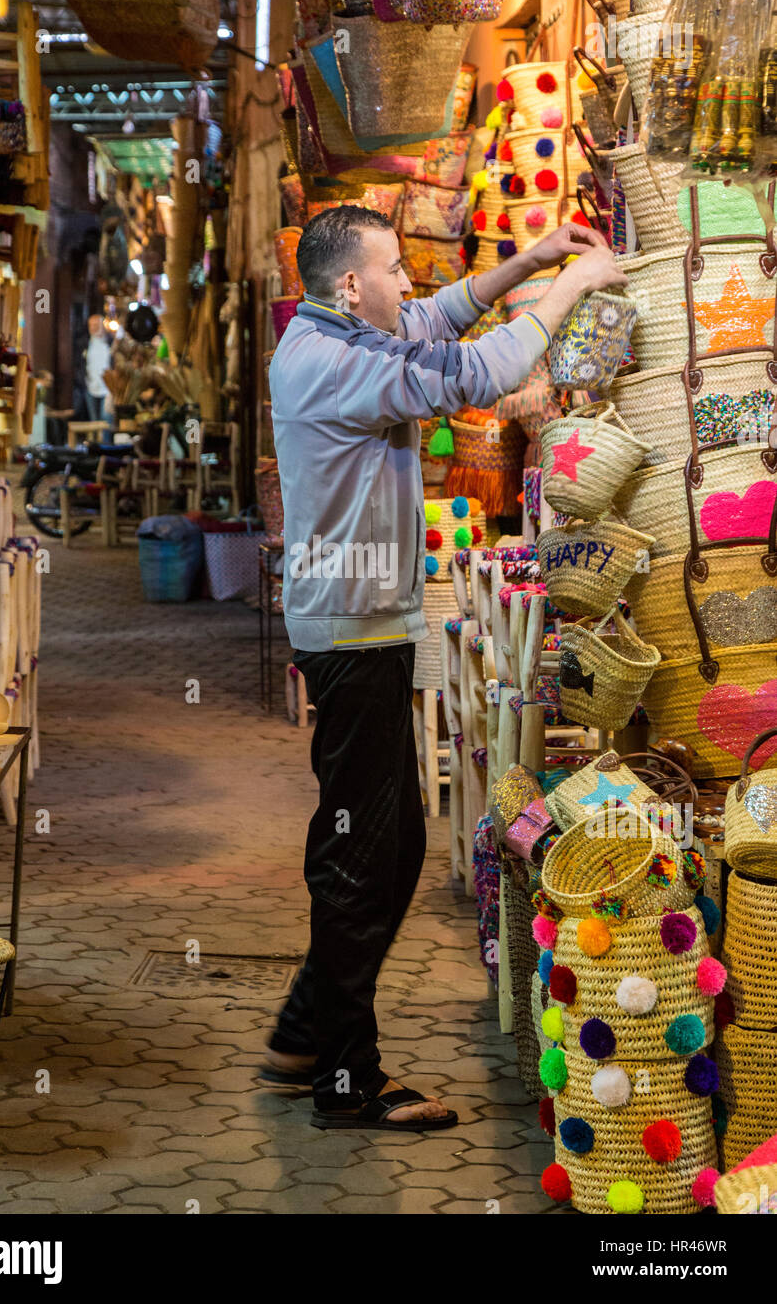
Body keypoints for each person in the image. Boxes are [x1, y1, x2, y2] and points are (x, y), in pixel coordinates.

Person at [263, 205, 627, 1132]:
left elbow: (438, 322)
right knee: (362, 854)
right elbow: (476, 371)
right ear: (353, 285)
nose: (408, 287)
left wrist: (531, 260)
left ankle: (309, 1026)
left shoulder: (339, 331)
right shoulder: (337, 363)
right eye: (396, 271)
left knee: (387, 849)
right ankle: (345, 1079)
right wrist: (573, 286)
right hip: (350, 637)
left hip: (363, 627)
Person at [83, 315, 113, 426]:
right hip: (90, 387)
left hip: (108, 389)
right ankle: (95, 443)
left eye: (96, 325)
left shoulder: (110, 342)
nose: (93, 327)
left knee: (106, 421)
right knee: (94, 423)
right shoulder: (85, 343)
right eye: (91, 325)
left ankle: (105, 443)